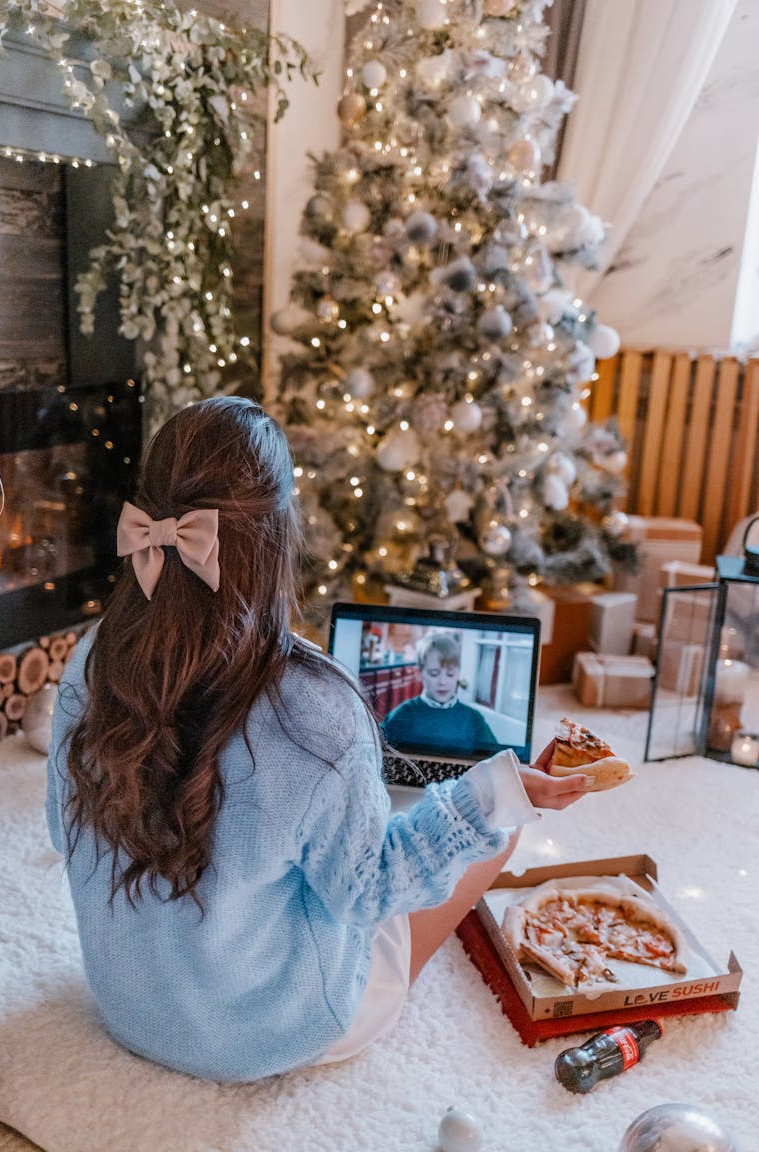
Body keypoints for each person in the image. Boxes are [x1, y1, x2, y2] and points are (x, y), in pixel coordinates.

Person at [46, 395, 590, 1084]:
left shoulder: (91, 659)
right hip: (276, 1030)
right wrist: (490, 799)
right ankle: (504, 807)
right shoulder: (318, 712)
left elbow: (65, 833)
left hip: (131, 1008)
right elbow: (369, 893)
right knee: (497, 817)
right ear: (279, 535)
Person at [381, 630, 500, 757]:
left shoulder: (474, 719)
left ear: (459, 674)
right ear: (419, 674)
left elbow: (496, 760)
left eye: (450, 674)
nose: (442, 682)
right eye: (434, 673)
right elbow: (375, 748)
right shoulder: (402, 715)